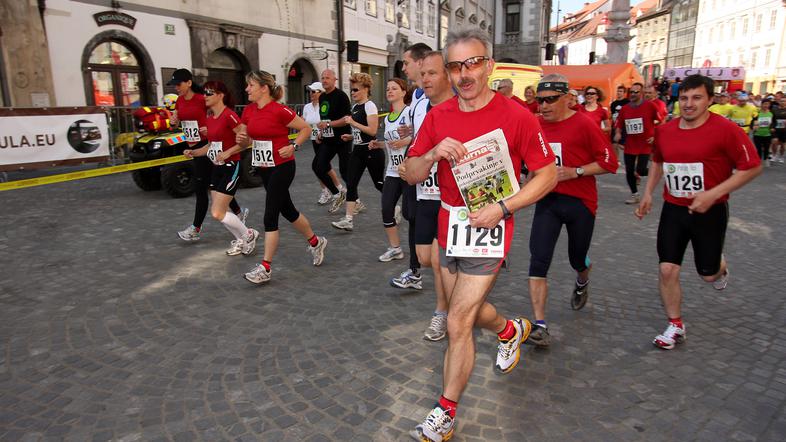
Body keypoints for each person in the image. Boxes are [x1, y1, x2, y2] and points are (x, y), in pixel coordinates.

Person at [404, 29, 556, 441]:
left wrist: (505, 207)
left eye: (473, 63)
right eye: (457, 66)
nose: (465, 73)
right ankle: (510, 330)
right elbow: (410, 171)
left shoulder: (517, 116)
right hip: (449, 225)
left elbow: (548, 174)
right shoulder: (438, 117)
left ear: (489, 65)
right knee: (466, 311)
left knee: (457, 321)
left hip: (492, 225)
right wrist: (433, 153)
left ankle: (445, 411)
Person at [636, 74, 761, 350]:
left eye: (696, 98)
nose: (689, 104)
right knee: (667, 269)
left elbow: (752, 166)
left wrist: (713, 193)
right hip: (674, 209)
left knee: (708, 274)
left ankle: (719, 267)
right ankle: (675, 324)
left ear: (710, 100)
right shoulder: (666, 130)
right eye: (684, 98)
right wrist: (647, 193)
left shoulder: (726, 130)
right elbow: (658, 161)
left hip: (711, 211)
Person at [525, 75, 618, 347]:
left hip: (580, 202)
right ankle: (540, 325)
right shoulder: (535, 125)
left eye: (550, 99)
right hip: (548, 202)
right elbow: (533, 159)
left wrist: (575, 172)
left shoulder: (584, 124)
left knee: (577, 257)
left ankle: (582, 278)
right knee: (537, 259)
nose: (543, 106)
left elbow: (609, 162)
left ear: (568, 98)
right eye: (540, 100)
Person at [238, 70, 328, 284]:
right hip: (264, 168)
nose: (246, 89)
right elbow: (246, 138)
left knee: (270, 215)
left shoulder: (279, 110)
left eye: (250, 85)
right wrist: (241, 139)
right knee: (288, 211)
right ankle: (316, 242)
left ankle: (265, 267)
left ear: (263, 88)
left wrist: (293, 146)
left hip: (283, 167)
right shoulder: (249, 111)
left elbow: (305, 128)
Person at [406, 51, 455, 343]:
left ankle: (442, 313)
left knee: (439, 261)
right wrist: (412, 163)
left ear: (447, 75)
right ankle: (453, 301)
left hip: (452, 198)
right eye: (422, 73)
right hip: (425, 190)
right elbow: (417, 145)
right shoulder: (419, 104)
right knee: (425, 258)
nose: (425, 79)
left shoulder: (461, 107)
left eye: (432, 73)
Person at [182, 80, 259, 256]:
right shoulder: (209, 119)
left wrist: (228, 152)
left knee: (217, 212)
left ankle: (249, 234)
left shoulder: (229, 115)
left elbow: (247, 141)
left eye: (209, 93)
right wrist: (193, 152)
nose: (205, 97)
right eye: (204, 93)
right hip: (217, 168)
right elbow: (210, 146)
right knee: (222, 212)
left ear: (220, 95)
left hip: (232, 166)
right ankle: (241, 240)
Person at [170, 68, 248, 241]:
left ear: (189, 83)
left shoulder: (202, 101)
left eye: (178, 84)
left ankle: (196, 228)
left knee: (203, 187)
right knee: (216, 187)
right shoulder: (180, 101)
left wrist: (209, 130)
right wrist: (173, 122)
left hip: (211, 146)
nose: (176, 87)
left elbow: (232, 129)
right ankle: (238, 215)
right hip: (201, 147)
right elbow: (176, 121)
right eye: (173, 85)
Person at [389, 42, 432, 291]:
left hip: (434, 171)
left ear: (420, 62)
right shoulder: (415, 95)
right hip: (414, 167)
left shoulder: (436, 94)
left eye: (406, 63)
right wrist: (412, 132)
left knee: (432, 225)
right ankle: (415, 271)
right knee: (411, 216)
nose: (403, 68)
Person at [331, 72, 383, 231]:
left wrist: (352, 122)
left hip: (371, 150)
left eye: (356, 89)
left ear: (365, 89)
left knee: (378, 184)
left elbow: (372, 130)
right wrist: (351, 136)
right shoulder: (355, 107)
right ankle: (348, 219)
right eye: (352, 90)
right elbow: (360, 131)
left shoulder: (370, 106)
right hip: (358, 150)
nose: (352, 93)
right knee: (351, 183)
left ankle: (393, 205)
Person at [372, 78, 412, 261]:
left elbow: (419, 136)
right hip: (393, 171)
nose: (389, 91)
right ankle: (395, 248)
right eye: (387, 88)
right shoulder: (387, 119)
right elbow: (391, 144)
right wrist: (378, 144)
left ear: (403, 92)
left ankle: (422, 249)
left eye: (394, 88)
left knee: (411, 213)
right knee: (386, 209)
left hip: (410, 171)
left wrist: (406, 141)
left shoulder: (410, 112)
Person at [614, 82, 661, 204]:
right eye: (632, 92)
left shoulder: (650, 106)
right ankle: (635, 194)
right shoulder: (625, 108)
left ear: (642, 93)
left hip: (645, 143)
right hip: (630, 143)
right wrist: (618, 133)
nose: (633, 94)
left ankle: (652, 171)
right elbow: (619, 123)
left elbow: (660, 121)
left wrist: (655, 135)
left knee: (640, 169)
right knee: (629, 171)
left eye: (636, 92)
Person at [313, 69, 352, 213]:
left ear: (334, 79)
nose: (324, 80)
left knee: (345, 171)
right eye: (322, 78)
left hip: (343, 139)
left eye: (327, 78)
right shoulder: (322, 97)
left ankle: (355, 200)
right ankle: (337, 194)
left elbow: (347, 119)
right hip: (328, 140)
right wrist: (321, 132)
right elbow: (324, 119)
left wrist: (329, 125)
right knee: (317, 166)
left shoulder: (341, 96)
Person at [302, 81, 343, 205]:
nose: (311, 94)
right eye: (310, 91)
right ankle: (327, 190)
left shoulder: (325, 105)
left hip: (326, 138)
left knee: (323, 166)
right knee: (321, 166)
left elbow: (331, 121)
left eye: (314, 91)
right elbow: (304, 123)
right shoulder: (307, 107)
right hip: (314, 139)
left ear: (321, 93)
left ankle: (339, 189)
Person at [752, 99, 773, 165]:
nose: (766, 105)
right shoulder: (757, 113)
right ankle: (759, 160)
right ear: (761, 104)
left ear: (769, 105)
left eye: (767, 104)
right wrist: (752, 127)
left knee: (766, 147)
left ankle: (766, 159)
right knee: (758, 148)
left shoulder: (771, 113)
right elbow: (752, 122)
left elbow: (774, 122)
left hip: (767, 134)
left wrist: (772, 127)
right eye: (764, 104)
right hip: (757, 133)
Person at [771, 96, 786, 163]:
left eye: (784, 101)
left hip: (784, 130)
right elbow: (771, 119)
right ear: (779, 102)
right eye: (781, 101)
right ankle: (774, 155)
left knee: (782, 144)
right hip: (776, 129)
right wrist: (771, 127)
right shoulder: (774, 109)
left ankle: (781, 156)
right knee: (774, 142)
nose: (783, 102)